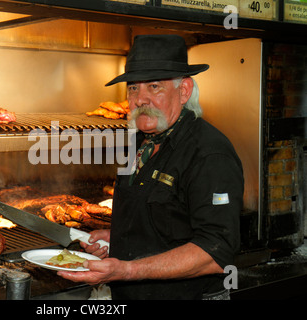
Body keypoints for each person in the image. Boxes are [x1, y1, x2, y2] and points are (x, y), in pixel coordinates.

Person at [57, 34, 244, 300]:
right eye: (133, 88)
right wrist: (118, 239)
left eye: (154, 86)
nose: (140, 99)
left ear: (184, 91)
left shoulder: (209, 153)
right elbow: (164, 221)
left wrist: (128, 270)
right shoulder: (140, 143)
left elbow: (214, 252)